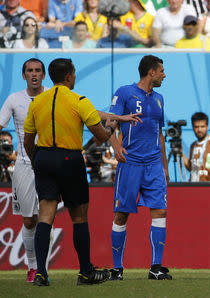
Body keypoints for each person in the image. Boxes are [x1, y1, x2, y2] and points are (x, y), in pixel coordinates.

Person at [23, 58, 117, 286]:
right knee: (79, 216)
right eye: (74, 74)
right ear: (68, 76)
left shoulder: (37, 101)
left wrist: (37, 158)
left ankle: (41, 273)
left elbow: (27, 140)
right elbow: (102, 136)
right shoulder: (79, 101)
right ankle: (86, 272)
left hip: (43, 157)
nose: (75, 77)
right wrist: (113, 124)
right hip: (69, 158)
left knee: (45, 215)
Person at [108, 55, 171, 281]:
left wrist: (164, 166)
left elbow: (159, 133)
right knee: (121, 214)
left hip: (153, 164)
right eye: (162, 70)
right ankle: (117, 268)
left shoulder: (160, 99)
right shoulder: (125, 92)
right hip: (130, 163)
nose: (165, 74)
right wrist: (116, 146)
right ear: (151, 72)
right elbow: (110, 123)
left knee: (160, 211)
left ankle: (156, 267)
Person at [0, 58, 47, 282]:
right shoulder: (14, 99)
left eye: (38, 70)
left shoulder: (51, 97)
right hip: (24, 165)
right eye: (30, 70)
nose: (34, 74)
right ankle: (32, 265)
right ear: (23, 75)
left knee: (46, 217)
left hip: (49, 165)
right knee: (29, 220)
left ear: (44, 75)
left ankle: (41, 269)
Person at [182, 112, 210, 182]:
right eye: (196, 127)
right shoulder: (193, 145)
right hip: (195, 187)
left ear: (207, 127)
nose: (199, 130)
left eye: (202, 126)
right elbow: (191, 168)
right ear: (192, 127)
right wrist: (180, 152)